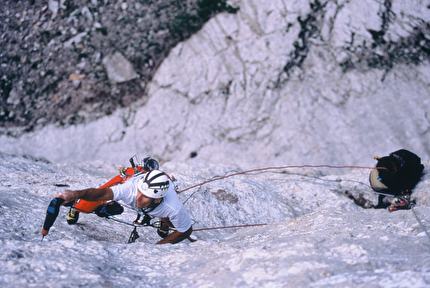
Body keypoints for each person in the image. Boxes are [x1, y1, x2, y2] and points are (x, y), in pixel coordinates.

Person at [55, 168, 193, 245]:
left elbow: (185, 230)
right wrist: (75, 194)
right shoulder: (131, 188)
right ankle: (76, 208)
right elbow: (102, 194)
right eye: (139, 192)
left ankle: (164, 222)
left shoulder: (173, 207)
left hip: (161, 208)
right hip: (139, 181)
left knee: (165, 215)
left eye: (145, 196)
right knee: (83, 206)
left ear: (157, 200)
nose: (138, 198)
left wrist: (157, 247)